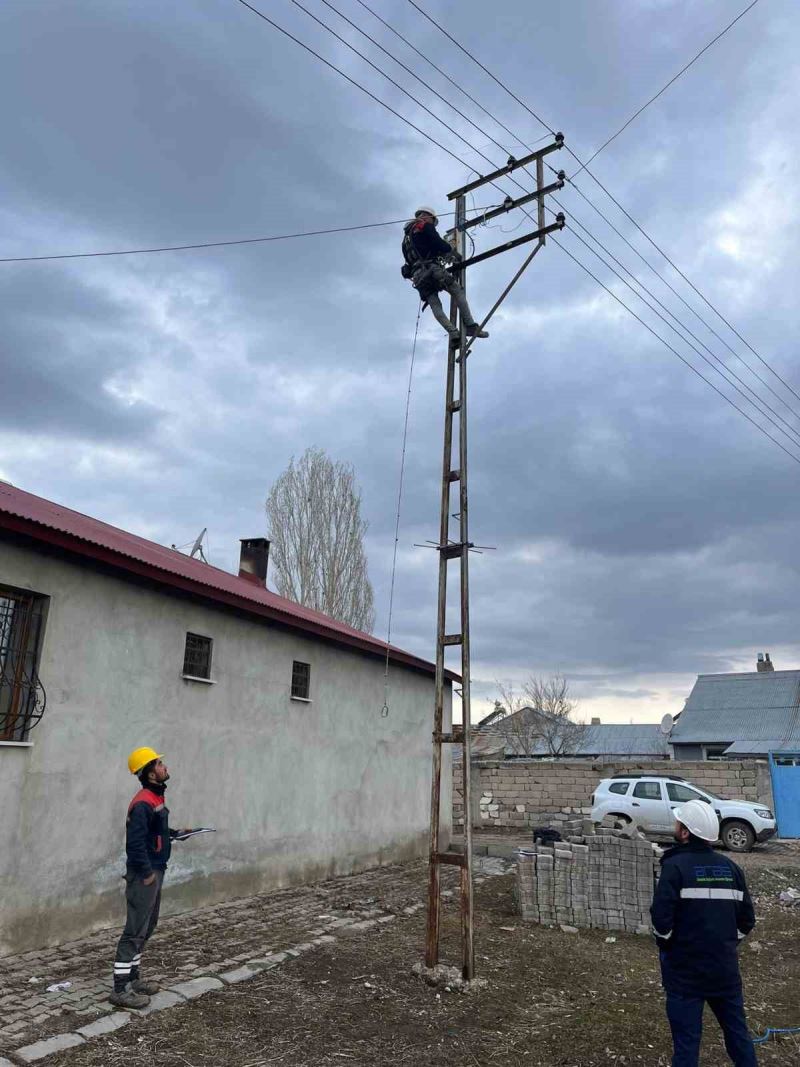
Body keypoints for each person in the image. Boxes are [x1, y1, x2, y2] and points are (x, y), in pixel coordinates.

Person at [650, 798, 758, 1067]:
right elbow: (747, 920)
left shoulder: (674, 867)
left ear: (685, 832)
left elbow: (661, 920)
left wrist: (670, 946)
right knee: (738, 1035)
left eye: (679, 823)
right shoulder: (731, 868)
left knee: (686, 1043)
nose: (675, 826)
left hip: (685, 974)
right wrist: (724, 942)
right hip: (724, 970)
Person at [110, 747, 185, 1009]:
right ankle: (120, 989)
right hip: (146, 874)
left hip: (156, 869)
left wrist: (174, 833)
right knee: (134, 930)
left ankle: (134, 979)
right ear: (151, 772)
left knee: (147, 926)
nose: (165, 767)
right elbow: (135, 844)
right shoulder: (143, 802)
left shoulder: (155, 797)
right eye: (160, 763)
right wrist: (146, 875)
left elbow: (156, 830)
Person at [402, 206, 489, 346]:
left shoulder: (406, 238)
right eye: (432, 220)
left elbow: (410, 260)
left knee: (435, 304)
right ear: (428, 216)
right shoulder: (425, 226)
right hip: (432, 269)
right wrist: (450, 251)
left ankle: (453, 333)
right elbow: (437, 242)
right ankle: (471, 326)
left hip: (418, 276)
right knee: (457, 291)